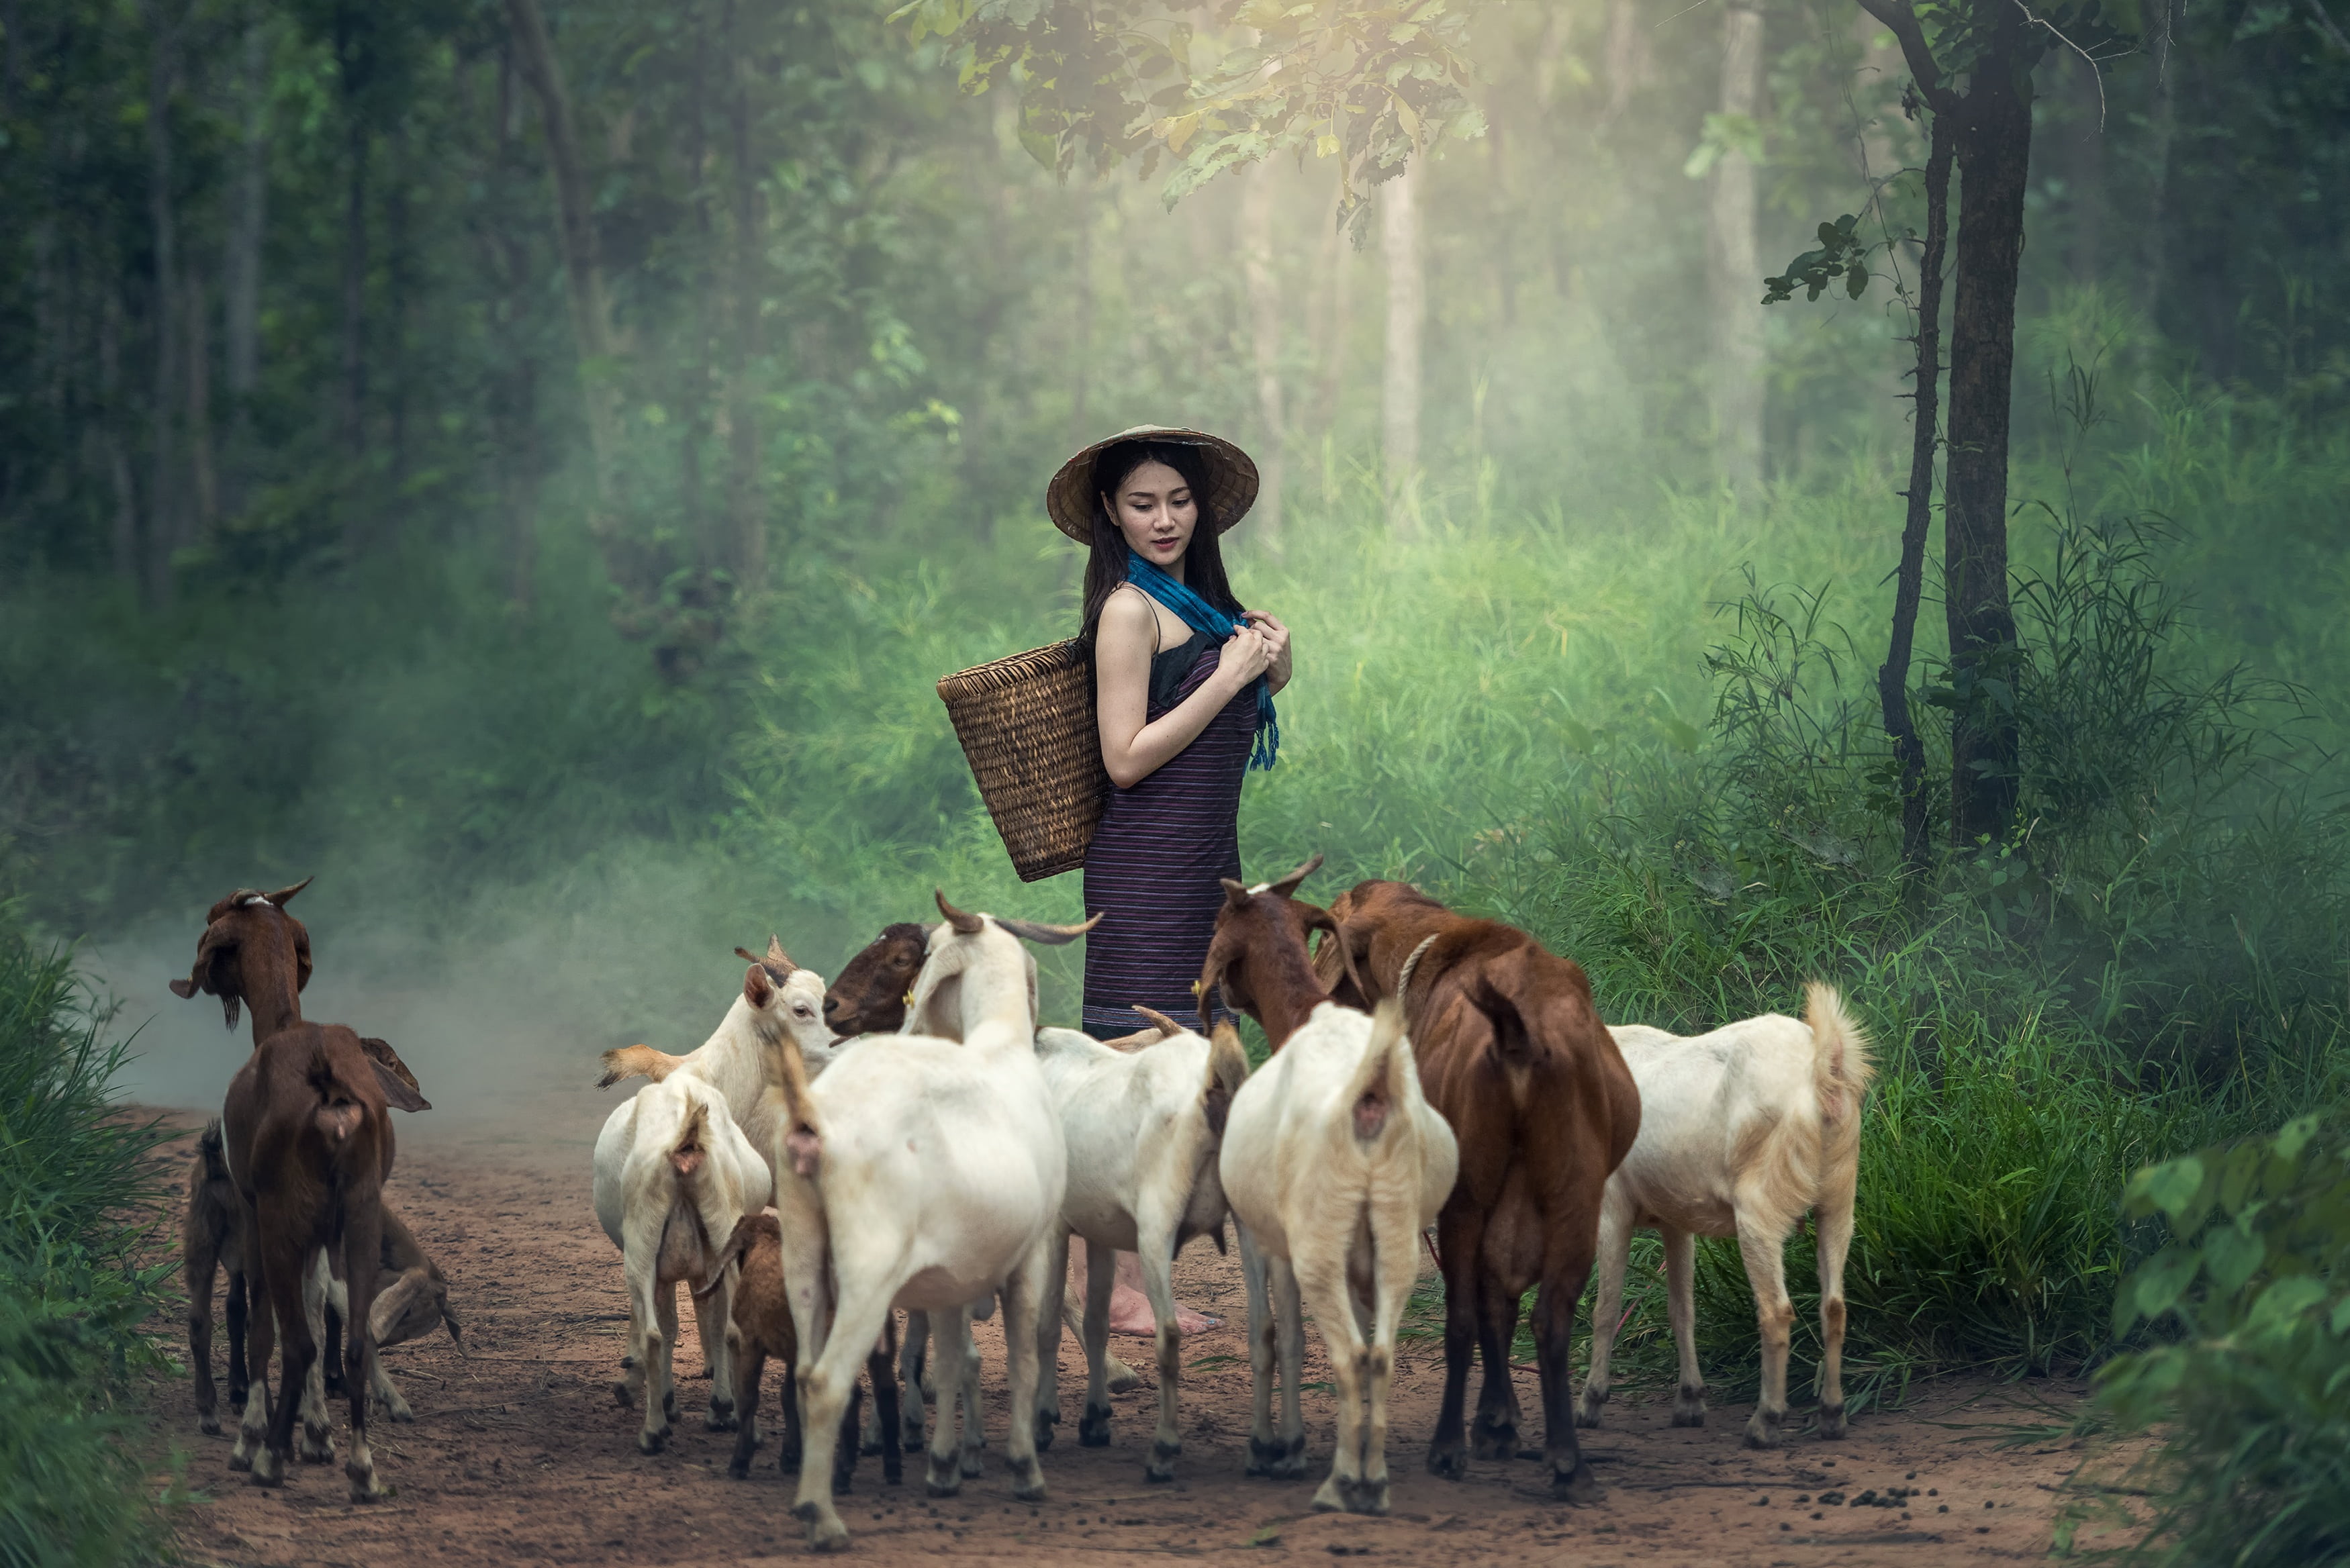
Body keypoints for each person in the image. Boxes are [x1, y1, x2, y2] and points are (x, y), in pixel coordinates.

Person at [1048, 426, 1292, 1334]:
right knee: (1129, 1062)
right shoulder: (1128, 612)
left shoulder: (1202, 604)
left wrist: (1267, 657)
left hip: (1205, 870)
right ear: (1111, 511)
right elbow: (1126, 757)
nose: (1164, 519)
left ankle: (1131, 1270)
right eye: (1143, 503)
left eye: (1179, 501)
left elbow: (1226, 704)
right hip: (1145, 866)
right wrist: (1230, 675)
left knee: (1192, 1059)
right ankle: (1102, 1288)